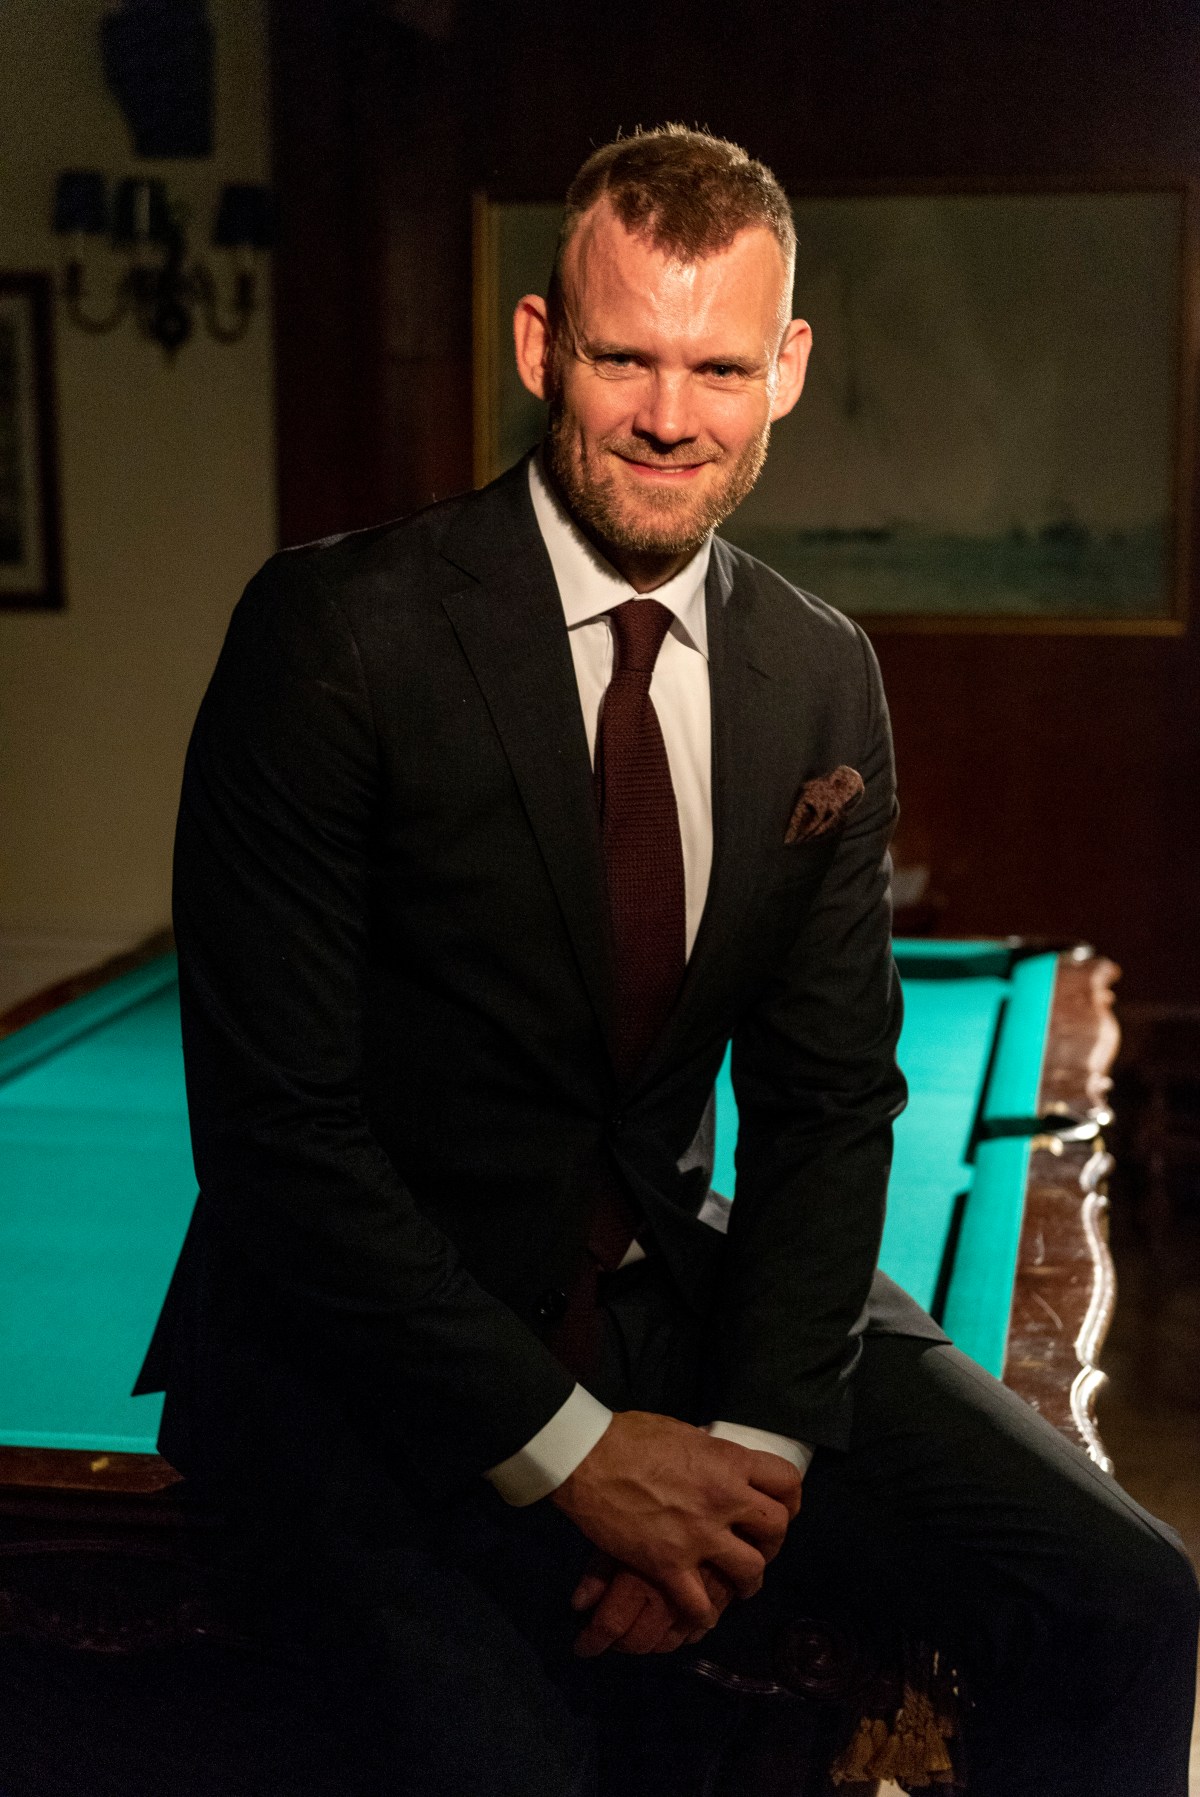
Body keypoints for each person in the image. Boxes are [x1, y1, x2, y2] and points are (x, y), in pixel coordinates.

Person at [138, 127, 1198, 1796]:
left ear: (788, 371)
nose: (668, 414)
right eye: (624, 356)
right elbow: (281, 1145)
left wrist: (749, 1466)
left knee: (1130, 1599)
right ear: (540, 344)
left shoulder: (821, 675)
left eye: (718, 367)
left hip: (672, 1299)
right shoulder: (333, 635)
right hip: (364, 1358)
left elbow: (830, 1102)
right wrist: (582, 1460)